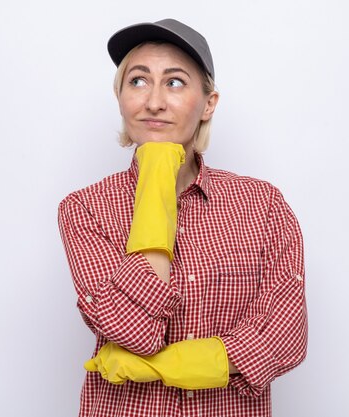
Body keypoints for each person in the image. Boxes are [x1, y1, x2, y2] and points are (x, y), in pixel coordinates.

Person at [58, 18, 307, 417]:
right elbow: (138, 330)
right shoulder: (86, 209)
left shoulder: (263, 206)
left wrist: (159, 367)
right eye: (137, 81)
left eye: (175, 82)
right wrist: (156, 174)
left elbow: (285, 337)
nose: (154, 101)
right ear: (120, 97)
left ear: (209, 103)